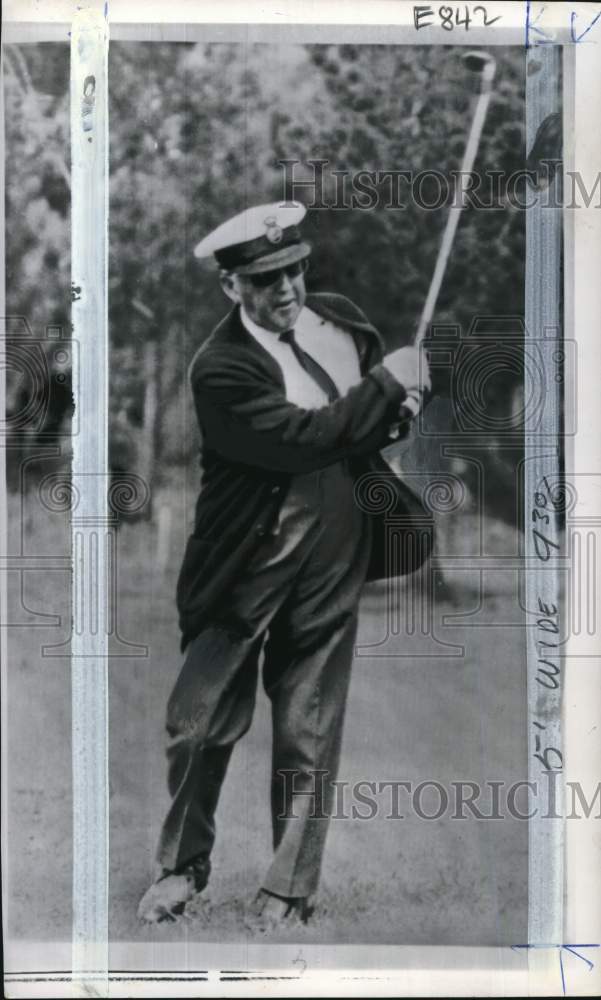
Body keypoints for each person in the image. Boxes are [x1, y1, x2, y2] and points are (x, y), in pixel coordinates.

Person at [138, 201, 432, 930]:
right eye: (266, 279)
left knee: (310, 716)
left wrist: (397, 408)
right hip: (249, 550)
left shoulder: (338, 323)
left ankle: (290, 888)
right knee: (197, 722)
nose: (288, 290)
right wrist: (387, 386)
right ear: (230, 287)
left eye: (294, 270)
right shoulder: (221, 369)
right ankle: (181, 868)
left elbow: (358, 428)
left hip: (337, 530)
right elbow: (303, 438)